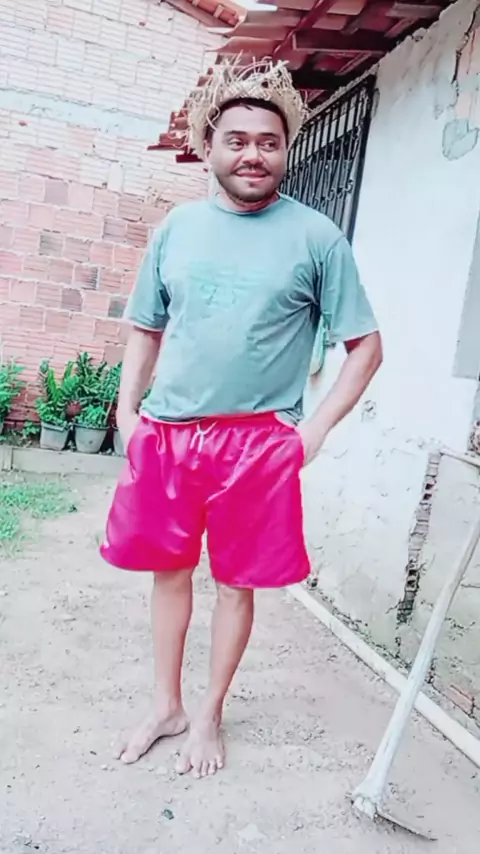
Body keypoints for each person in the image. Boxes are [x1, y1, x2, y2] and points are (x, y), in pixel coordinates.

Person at [101, 59, 383, 779]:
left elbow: (366, 347)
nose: (253, 154)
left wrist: (313, 431)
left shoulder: (317, 238)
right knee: (168, 573)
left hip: (257, 444)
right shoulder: (178, 228)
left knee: (236, 582)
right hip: (169, 433)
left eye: (268, 141)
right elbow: (146, 328)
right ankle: (166, 705)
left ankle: (209, 714)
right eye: (237, 140)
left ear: (286, 149)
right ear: (210, 146)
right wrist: (128, 413)